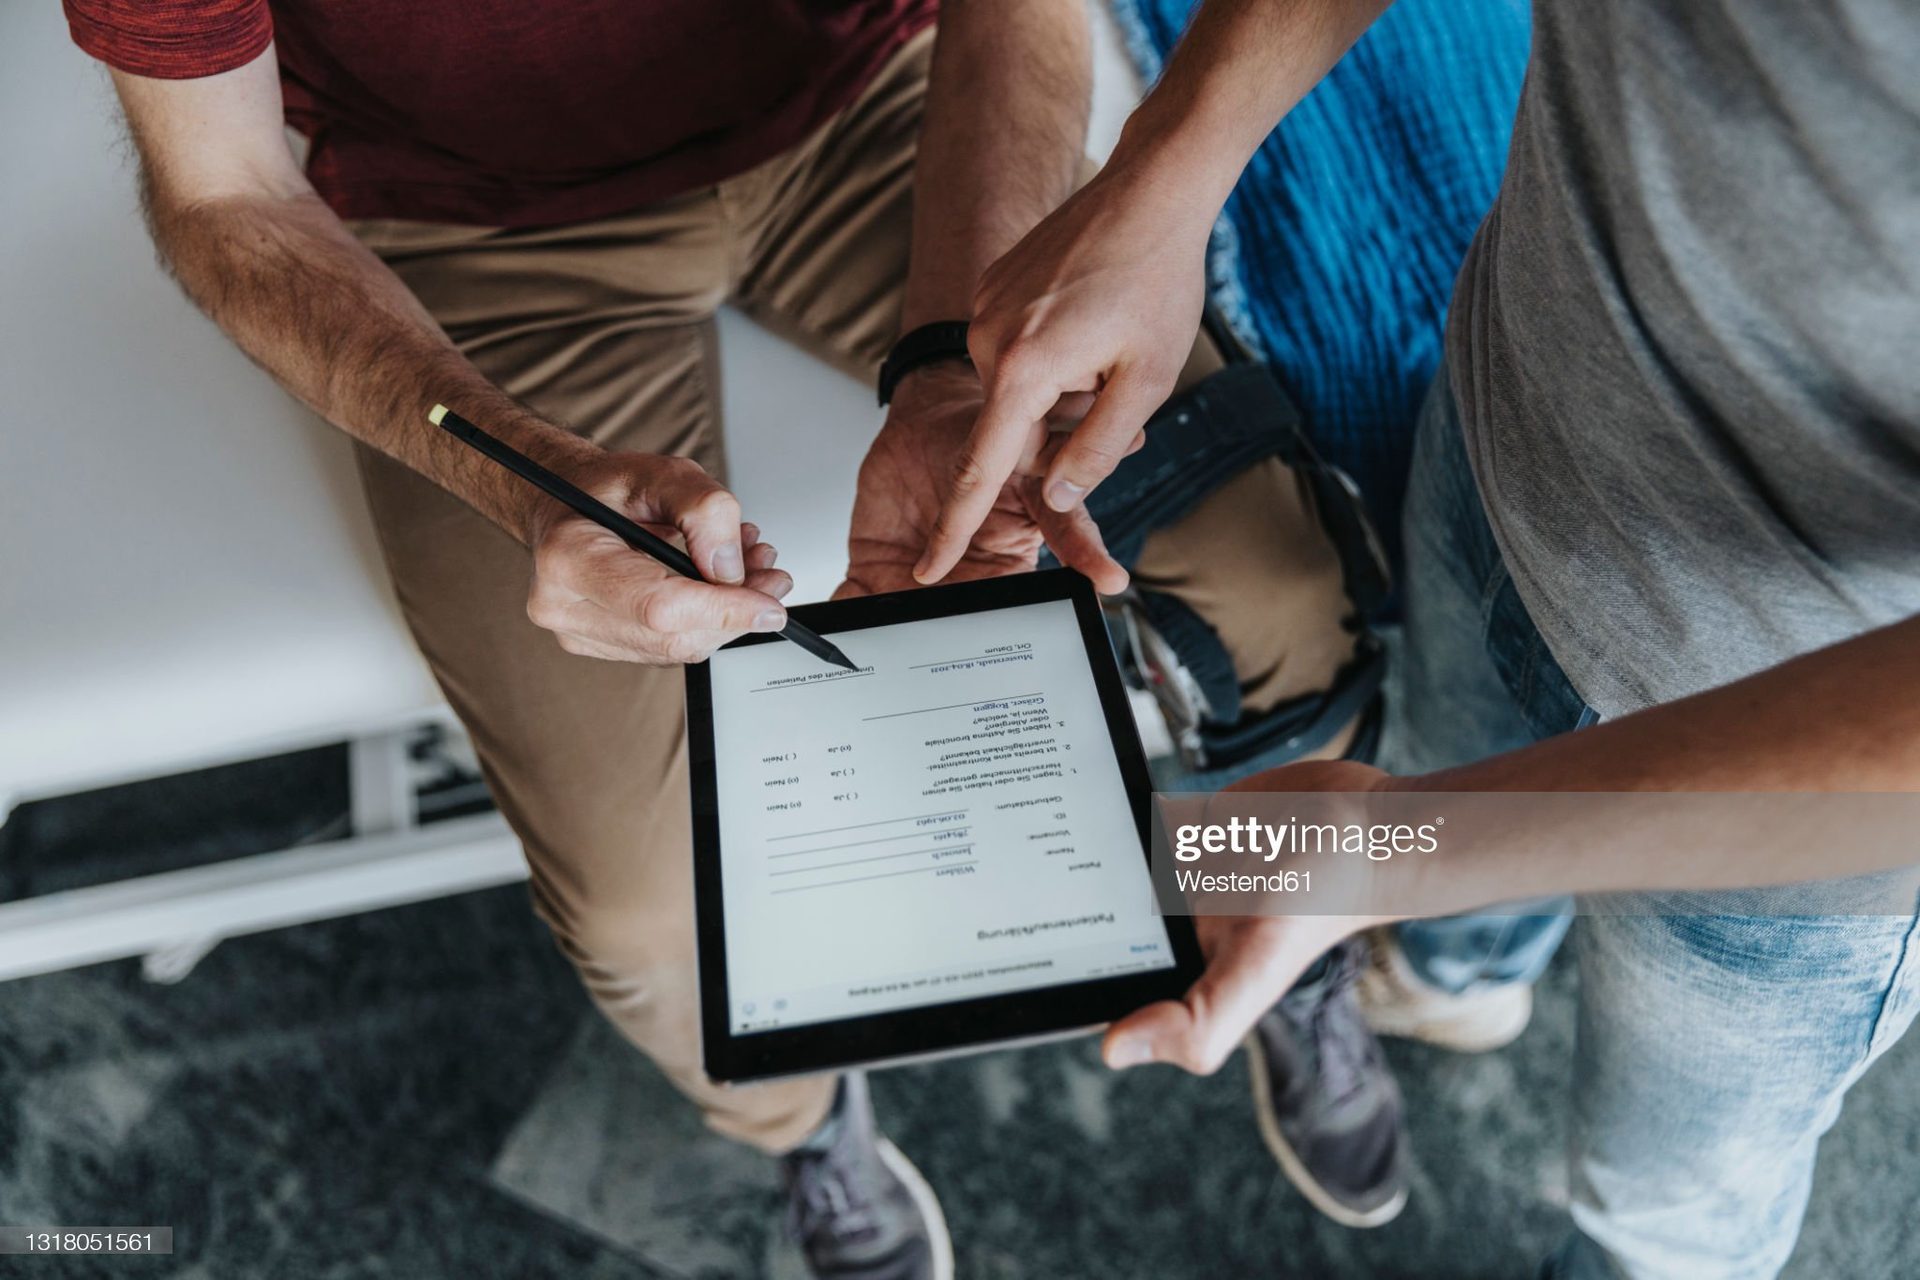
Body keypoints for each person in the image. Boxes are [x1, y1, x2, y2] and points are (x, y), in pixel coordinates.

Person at [62, 0, 1400, 1267]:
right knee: (651, 914)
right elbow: (223, 191)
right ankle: (801, 1121)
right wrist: (514, 475)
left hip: (891, 105)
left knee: (1284, 586)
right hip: (471, 218)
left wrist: (952, 356)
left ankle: (1270, 932)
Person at [922, 0, 1920, 1274]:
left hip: (1813, 801)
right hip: (1505, 409)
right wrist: (1176, 167)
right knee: (1449, 747)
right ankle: (1459, 976)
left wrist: (1398, 847)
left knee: (1663, 1200)